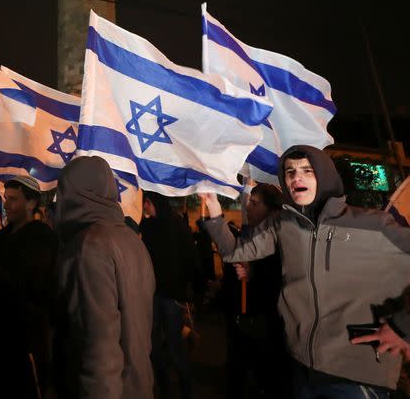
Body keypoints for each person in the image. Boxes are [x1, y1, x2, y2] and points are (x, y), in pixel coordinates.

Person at [201, 145, 410, 397]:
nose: (295, 177)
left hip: (356, 377)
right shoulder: (283, 224)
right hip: (301, 369)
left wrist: (403, 327)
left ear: (324, 175)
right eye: (289, 171)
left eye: (307, 170)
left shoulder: (374, 225)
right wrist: (213, 209)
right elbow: (235, 252)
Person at [53, 155, 155, 399]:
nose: (58, 200)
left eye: (63, 190)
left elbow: (100, 347)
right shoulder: (130, 239)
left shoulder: (90, 246)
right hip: (136, 384)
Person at [0, 175, 59, 399]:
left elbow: (26, 285)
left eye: (13, 199)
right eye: (5, 198)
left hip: (21, 342)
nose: (6, 205)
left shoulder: (41, 238)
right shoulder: (4, 235)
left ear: (31, 203)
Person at [225, 183, 287, 399]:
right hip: (246, 322)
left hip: (269, 330)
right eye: (249, 202)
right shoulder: (249, 235)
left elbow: (280, 282)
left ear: (271, 210)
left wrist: (253, 274)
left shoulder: (283, 241)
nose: (248, 207)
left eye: (254, 203)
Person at [140, 191, 196, 399]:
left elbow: (190, 258)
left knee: (173, 346)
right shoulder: (151, 226)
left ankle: (182, 390)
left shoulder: (171, 226)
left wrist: (189, 290)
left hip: (170, 296)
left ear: (153, 202)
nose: (144, 207)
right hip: (158, 295)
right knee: (156, 346)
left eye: (146, 203)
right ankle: (169, 389)